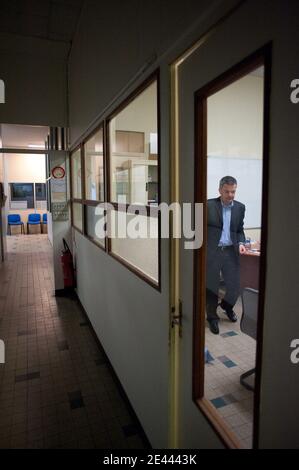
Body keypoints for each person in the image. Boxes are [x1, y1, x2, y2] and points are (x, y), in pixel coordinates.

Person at [206, 176, 246, 335]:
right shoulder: (208, 205)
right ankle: (212, 317)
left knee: (235, 286)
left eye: (233, 192)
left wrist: (241, 243)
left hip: (231, 252)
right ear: (220, 190)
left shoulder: (240, 208)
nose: (230, 195)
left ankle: (226, 306)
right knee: (212, 287)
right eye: (227, 191)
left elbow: (240, 230)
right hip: (213, 252)